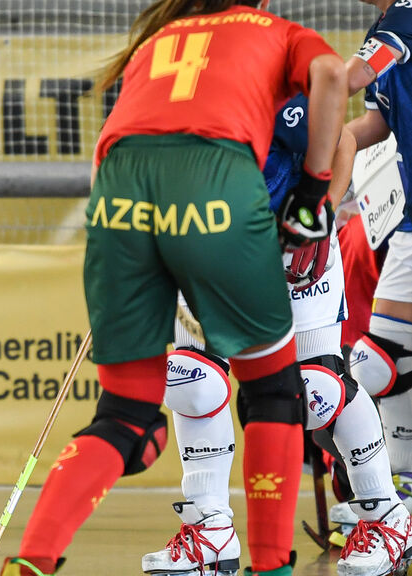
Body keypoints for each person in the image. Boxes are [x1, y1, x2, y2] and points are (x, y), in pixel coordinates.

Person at [0, 0, 348, 576]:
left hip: (118, 192)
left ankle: (33, 559)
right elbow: (331, 74)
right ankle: (271, 566)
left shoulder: (160, 35)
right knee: (274, 391)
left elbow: (113, 141)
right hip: (212, 179)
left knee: (127, 417)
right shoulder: (276, 31)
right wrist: (311, 195)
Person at [140, 98, 412, 576]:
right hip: (208, 249)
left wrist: (323, 216)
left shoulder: (268, 82)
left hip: (293, 248)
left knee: (317, 391)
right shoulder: (166, 87)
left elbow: (342, 140)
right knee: (193, 381)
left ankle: (387, 517)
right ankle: (209, 529)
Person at [341, 0, 412, 539]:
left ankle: (385, 499)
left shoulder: (405, 18)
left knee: (373, 362)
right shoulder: (393, 21)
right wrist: (317, 150)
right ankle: (398, 490)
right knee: (388, 358)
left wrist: (266, 102)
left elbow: (350, 78)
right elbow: (377, 121)